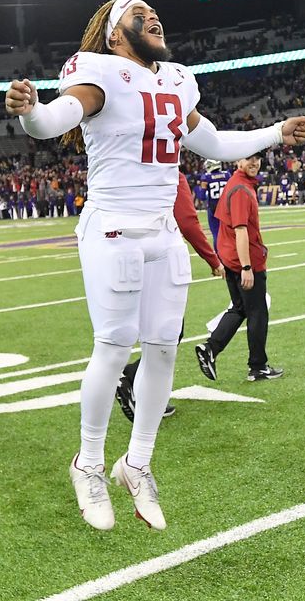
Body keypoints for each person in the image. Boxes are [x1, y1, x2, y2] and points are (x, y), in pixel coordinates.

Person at [4, 0, 305, 531]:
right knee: (115, 343)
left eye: (154, 12)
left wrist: (274, 133)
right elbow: (55, 120)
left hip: (163, 231)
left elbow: (211, 141)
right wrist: (31, 110)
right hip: (112, 227)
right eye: (138, 15)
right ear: (114, 35)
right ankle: (89, 462)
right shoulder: (99, 71)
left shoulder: (174, 79)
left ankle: (137, 462)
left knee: (164, 347)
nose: (154, 17)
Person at [115, 171, 223, 422]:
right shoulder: (170, 174)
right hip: (158, 262)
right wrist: (212, 258)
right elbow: (187, 221)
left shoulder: (130, 173)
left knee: (131, 334)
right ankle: (138, 388)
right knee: (167, 334)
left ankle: (131, 380)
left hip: (121, 257)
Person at [194, 153, 283, 383]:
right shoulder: (241, 189)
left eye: (257, 158)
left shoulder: (236, 183)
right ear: (237, 161)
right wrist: (246, 266)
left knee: (240, 307)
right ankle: (258, 366)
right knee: (257, 311)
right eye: (248, 158)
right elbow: (241, 230)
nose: (254, 162)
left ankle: (210, 349)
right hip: (242, 259)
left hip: (229, 256)